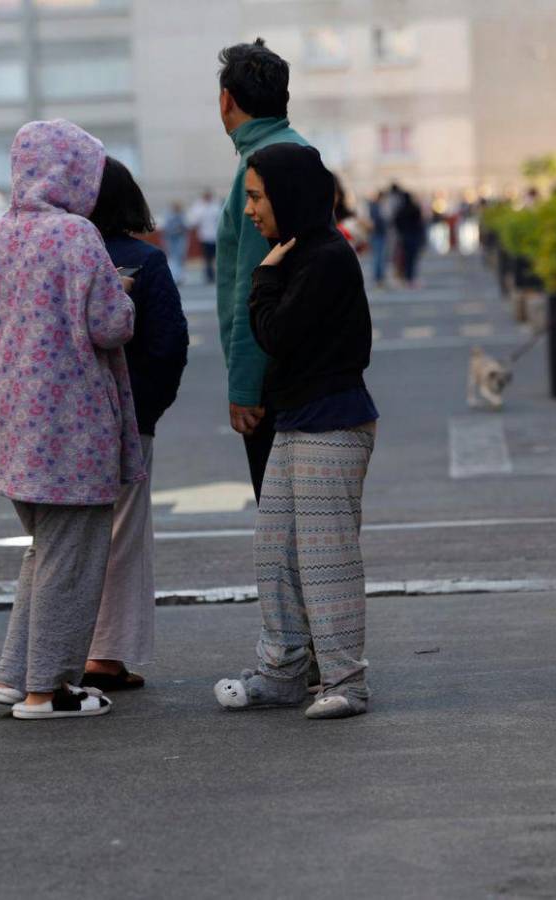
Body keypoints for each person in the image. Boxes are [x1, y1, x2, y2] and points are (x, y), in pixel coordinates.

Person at [0, 119, 143, 720]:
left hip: (16, 427)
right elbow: (109, 325)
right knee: (72, 562)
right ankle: (48, 690)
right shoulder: (76, 236)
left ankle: (12, 676)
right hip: (73, 427)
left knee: (44, 552)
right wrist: (122, 293)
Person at [213, 142, 377, 719]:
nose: (251, 209)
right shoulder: (299, 251)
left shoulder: (325, 257)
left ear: (289, 196)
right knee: (275, 551)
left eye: (257, 197)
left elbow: (277, 335)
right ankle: (282, 672)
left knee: (325, 558)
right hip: (298, 419)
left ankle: (345, 682)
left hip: (332, 421)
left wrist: (261, 280)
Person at [81, 156, 188, 692]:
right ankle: (107, 654)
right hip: (127, 419)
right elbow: (169, 346)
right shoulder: (144, 261)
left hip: (56, 426)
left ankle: (57, 650)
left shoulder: (57, 254)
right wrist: (145, 412)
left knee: (59, 540)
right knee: (124, 535)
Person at [214, 38, 308, 502]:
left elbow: (254, 283)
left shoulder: (260, 167)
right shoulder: (297, 150)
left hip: (273, 372)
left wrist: (244, 385)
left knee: (279, 517)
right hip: (305, 357)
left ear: (226, 99)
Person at [187, 190, 222, 284]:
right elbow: (193, 221)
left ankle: (215, 274)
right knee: (207, 258)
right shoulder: (199, 206)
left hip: (215, 236)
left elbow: (220, 218)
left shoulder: (215, 205)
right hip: (204, 236)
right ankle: (209, 275)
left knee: (217, 257)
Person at [395, 191, 427, 287]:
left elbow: (396, 222)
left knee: (406, 258)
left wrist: (401, 232)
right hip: (413, 236)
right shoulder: (414, 208)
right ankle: (411, 277)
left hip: (405, 237)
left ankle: (407, 277)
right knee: (412, 259)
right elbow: (420, 223)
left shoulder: (400, 210)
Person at [161, 201, 190, 285]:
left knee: (180, 257)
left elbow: (186, 227)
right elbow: (166, 229)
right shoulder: (168, 216)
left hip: (180, 239)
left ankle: (180, 276)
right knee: (172, 258)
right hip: (171, 239)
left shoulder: (182, 215)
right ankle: (174, 276)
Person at [367, 191, 389, 286]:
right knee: (378, 257)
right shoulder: (376, 207)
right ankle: (378, 278)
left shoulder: (374, 207)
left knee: (379, 256)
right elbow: (377, 222)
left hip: (377, 234)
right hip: (377, 234)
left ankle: (379, 277)